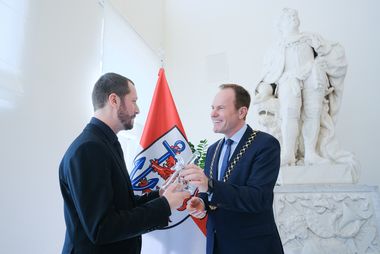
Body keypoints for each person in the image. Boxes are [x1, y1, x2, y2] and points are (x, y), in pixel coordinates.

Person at [59, 73, 190, 254]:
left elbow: (121, 205)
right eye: (134, 101)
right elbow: (102, 228)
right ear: (114, 100)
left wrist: (160, 195)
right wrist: (165, 205)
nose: (137, 110)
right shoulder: (89, 149)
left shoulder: (107, 144)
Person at [180, 84, 284, 254]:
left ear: (242, 112)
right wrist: (202, 203)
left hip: (253, 247)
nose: (213, 114)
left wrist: (210, 185)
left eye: (220, 108)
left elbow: (258, 198)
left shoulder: (265, 144)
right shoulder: (213, 150)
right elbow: (212, 193)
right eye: (212, 108)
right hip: (217, 246)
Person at [256, 8, 348, 166]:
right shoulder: (276, 48)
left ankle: (311, 153)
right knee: (289, 113)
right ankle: (289, 153)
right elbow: (271, 75)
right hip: (289, 80)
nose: (293, 18)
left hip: (313, 76)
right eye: (288, 17)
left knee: (314, 113)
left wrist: (323, 63)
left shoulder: (311, 39)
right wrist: (265, 89)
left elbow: (331, 52)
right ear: (281, 24)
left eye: (294, 16)